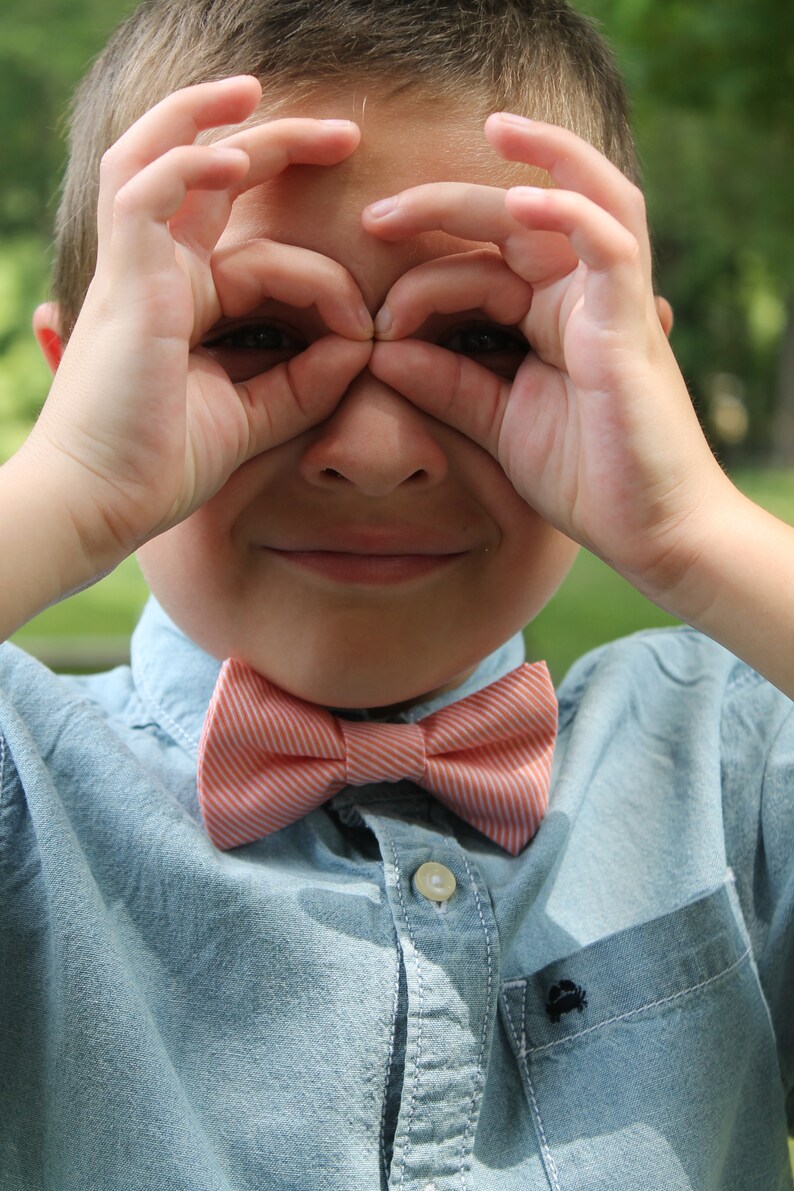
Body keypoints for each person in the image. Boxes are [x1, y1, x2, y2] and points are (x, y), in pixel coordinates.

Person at [1, 0, 792, 1186]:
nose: (374, 454)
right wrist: (67, 485)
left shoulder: (727, 765)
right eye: (255, 333)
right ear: (86, 380)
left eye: (482, 342)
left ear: (626, 373)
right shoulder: (25, 784)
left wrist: (692, 527)